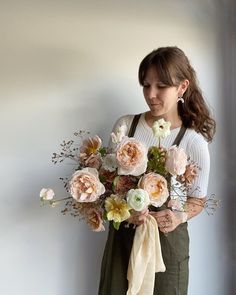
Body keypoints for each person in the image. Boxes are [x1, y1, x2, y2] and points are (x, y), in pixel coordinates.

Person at [98, 46, 216, 295]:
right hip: (124, 239)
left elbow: (198, 199)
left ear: (182, 87)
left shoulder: (193, 141)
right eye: (146, 85)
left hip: (167, 244)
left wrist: (178, 217)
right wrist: (124, 213)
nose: (151, 94)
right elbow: (105, 188)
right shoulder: (125, 126)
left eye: (161, 86)